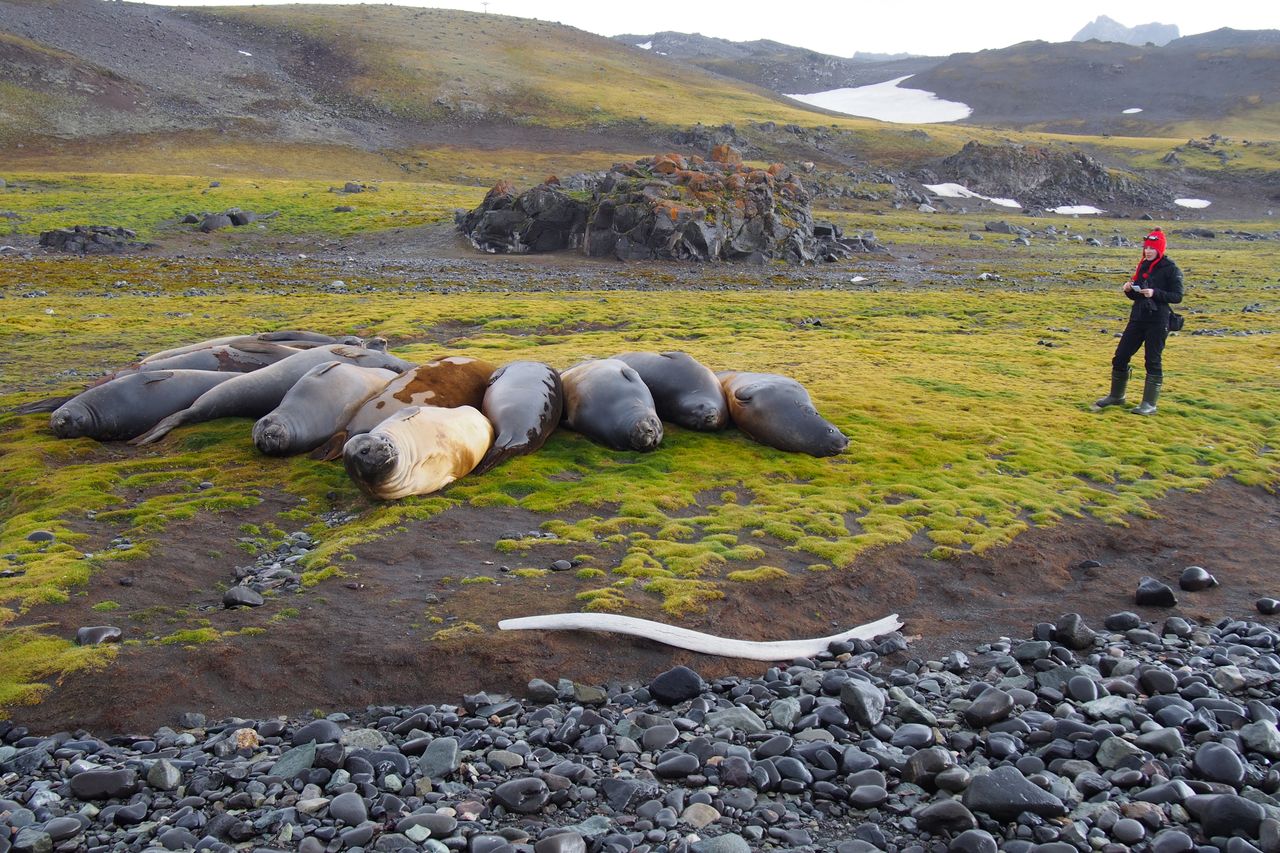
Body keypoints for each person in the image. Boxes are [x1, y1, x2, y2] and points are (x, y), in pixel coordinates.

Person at [1093, 227, 1184, 415]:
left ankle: (1149, 404)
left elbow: (1177, 296)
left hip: (1158, 320)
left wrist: (1155, 293)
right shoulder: (1142, 265)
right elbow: (1137, 297)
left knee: (1152, 360)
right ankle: (1117, 396)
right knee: (1120, 356)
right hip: (1138, 318)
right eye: (1146, 248)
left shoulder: (1171, 269)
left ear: (1160, 249)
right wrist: (1129, 290)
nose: (1148, 251)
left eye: (1152, 248)